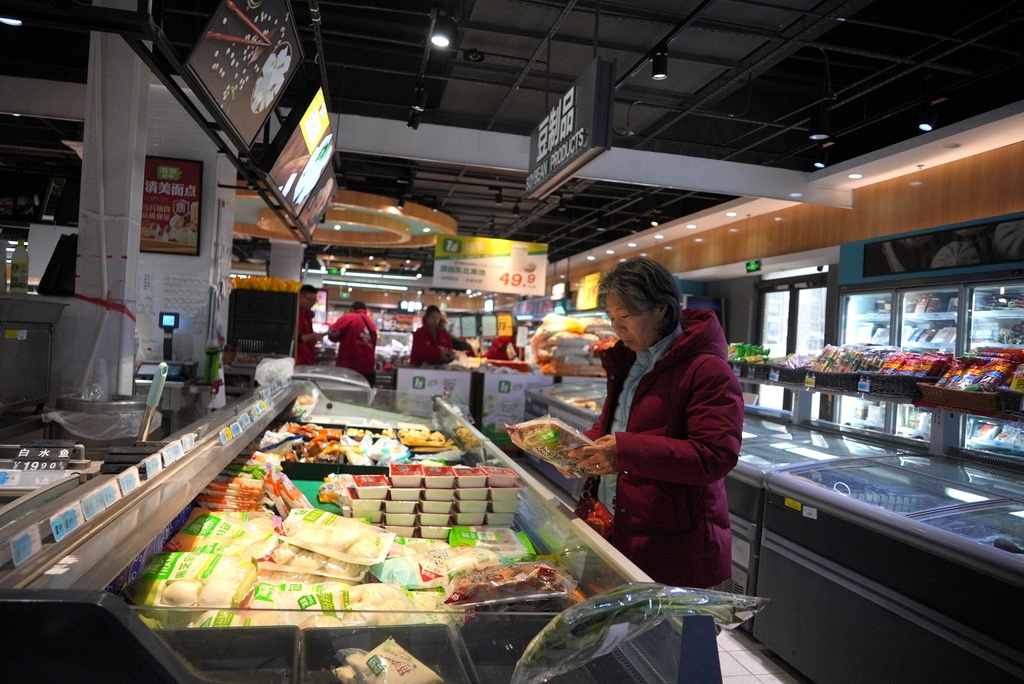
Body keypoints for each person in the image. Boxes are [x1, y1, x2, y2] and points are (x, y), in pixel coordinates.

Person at [565, 256, 744, 589]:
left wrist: (624, 451)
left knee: (669, 639)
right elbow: (619, 424)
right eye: (611, 317)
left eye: (627, 317)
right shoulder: (630, 360)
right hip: (615, 523)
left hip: (673, 544)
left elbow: (714, 456)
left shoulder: (707, 370)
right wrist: (579, 447)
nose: (617, 328)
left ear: (661, 309)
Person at [327, 300, 378, 385]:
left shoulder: (348, 318)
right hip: (367, 368)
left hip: (348, 367)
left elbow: (332, 335)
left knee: (345, 395)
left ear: (351, 309)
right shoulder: (371, 324)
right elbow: (374, 345)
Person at [295, 284, 326, 366]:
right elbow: (297, 338)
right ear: (300, 296)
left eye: (314, 300)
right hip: (297, 361)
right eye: (310, 300)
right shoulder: (294, 314)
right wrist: (313, 336)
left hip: (307, 360)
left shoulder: (308, 315)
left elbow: (306, 337)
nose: (312, 303)